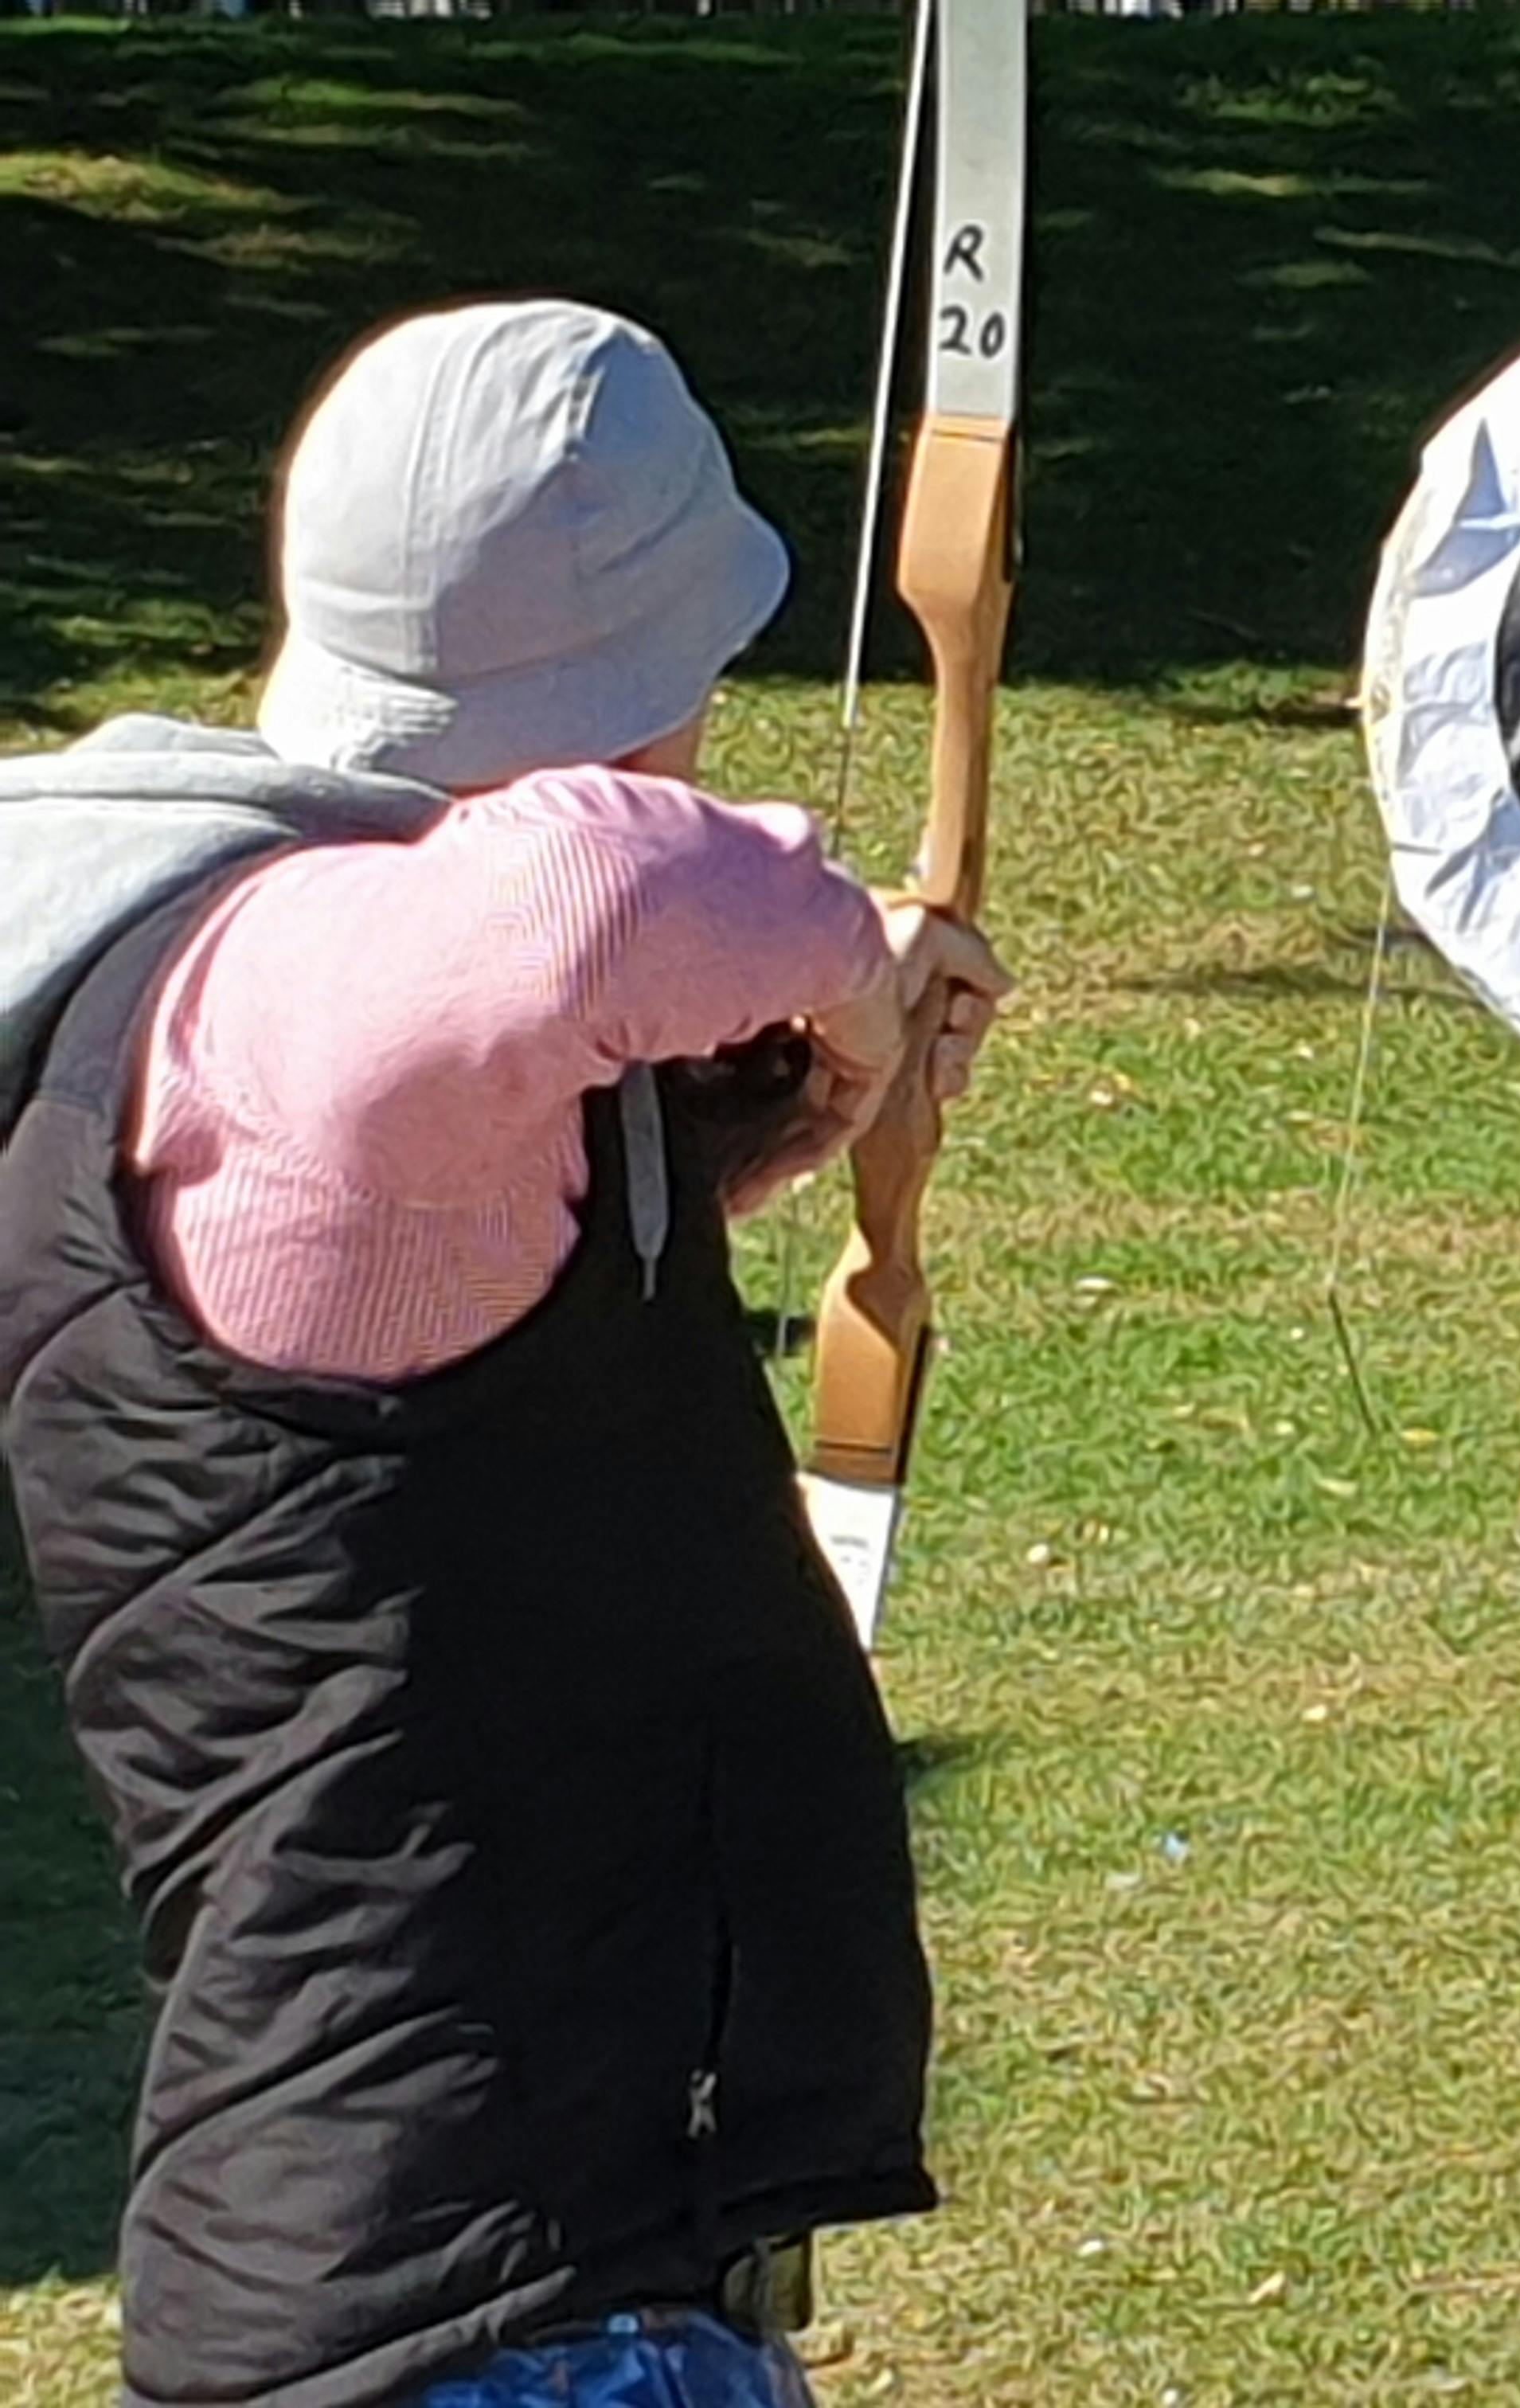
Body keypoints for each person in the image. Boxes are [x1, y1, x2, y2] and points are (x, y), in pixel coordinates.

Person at [0, 299, 1008, 2407]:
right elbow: (576, 913)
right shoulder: (291, 972)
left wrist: (784, 1112)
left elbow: (419, 1360)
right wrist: (840, 962)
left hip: (467, 2275)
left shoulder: (258, 1006)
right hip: (476, 2310)